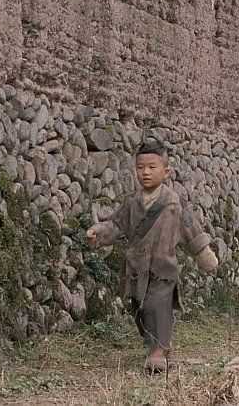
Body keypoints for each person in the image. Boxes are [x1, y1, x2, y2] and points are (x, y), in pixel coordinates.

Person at [86, 141, 218, 373]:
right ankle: (157, 344)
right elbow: (116, 225)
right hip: (137, 268)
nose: (145, 172)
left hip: (163, 267)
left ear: (166, 172)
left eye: (152, 167)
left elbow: (191, 227)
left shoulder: (173, 202)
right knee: (140, 308)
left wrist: (203, 252)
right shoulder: (131, 202)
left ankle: (158, 352)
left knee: (157, 305)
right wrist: (98, 232)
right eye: (140, 167)